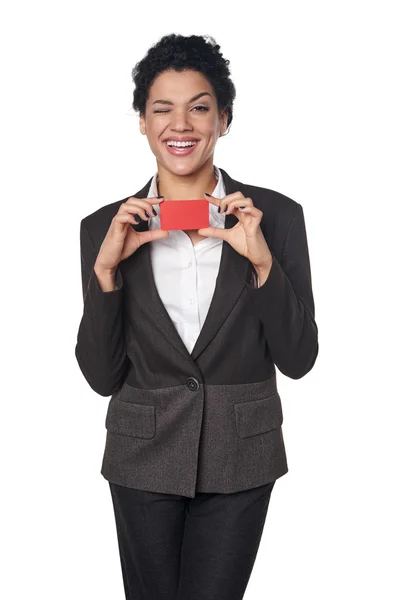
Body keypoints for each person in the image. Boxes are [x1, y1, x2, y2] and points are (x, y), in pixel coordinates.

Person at [75, 33, 318, 600]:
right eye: (162, 108)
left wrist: (261, 263)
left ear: (224, 119)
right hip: (141, 453)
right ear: (141, 121)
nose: (179, 124)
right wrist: (105, 274)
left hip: (242, 450)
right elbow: (100, 376)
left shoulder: (276, 218)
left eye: (199, 107)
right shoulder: (101, 228)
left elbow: (300, 358)